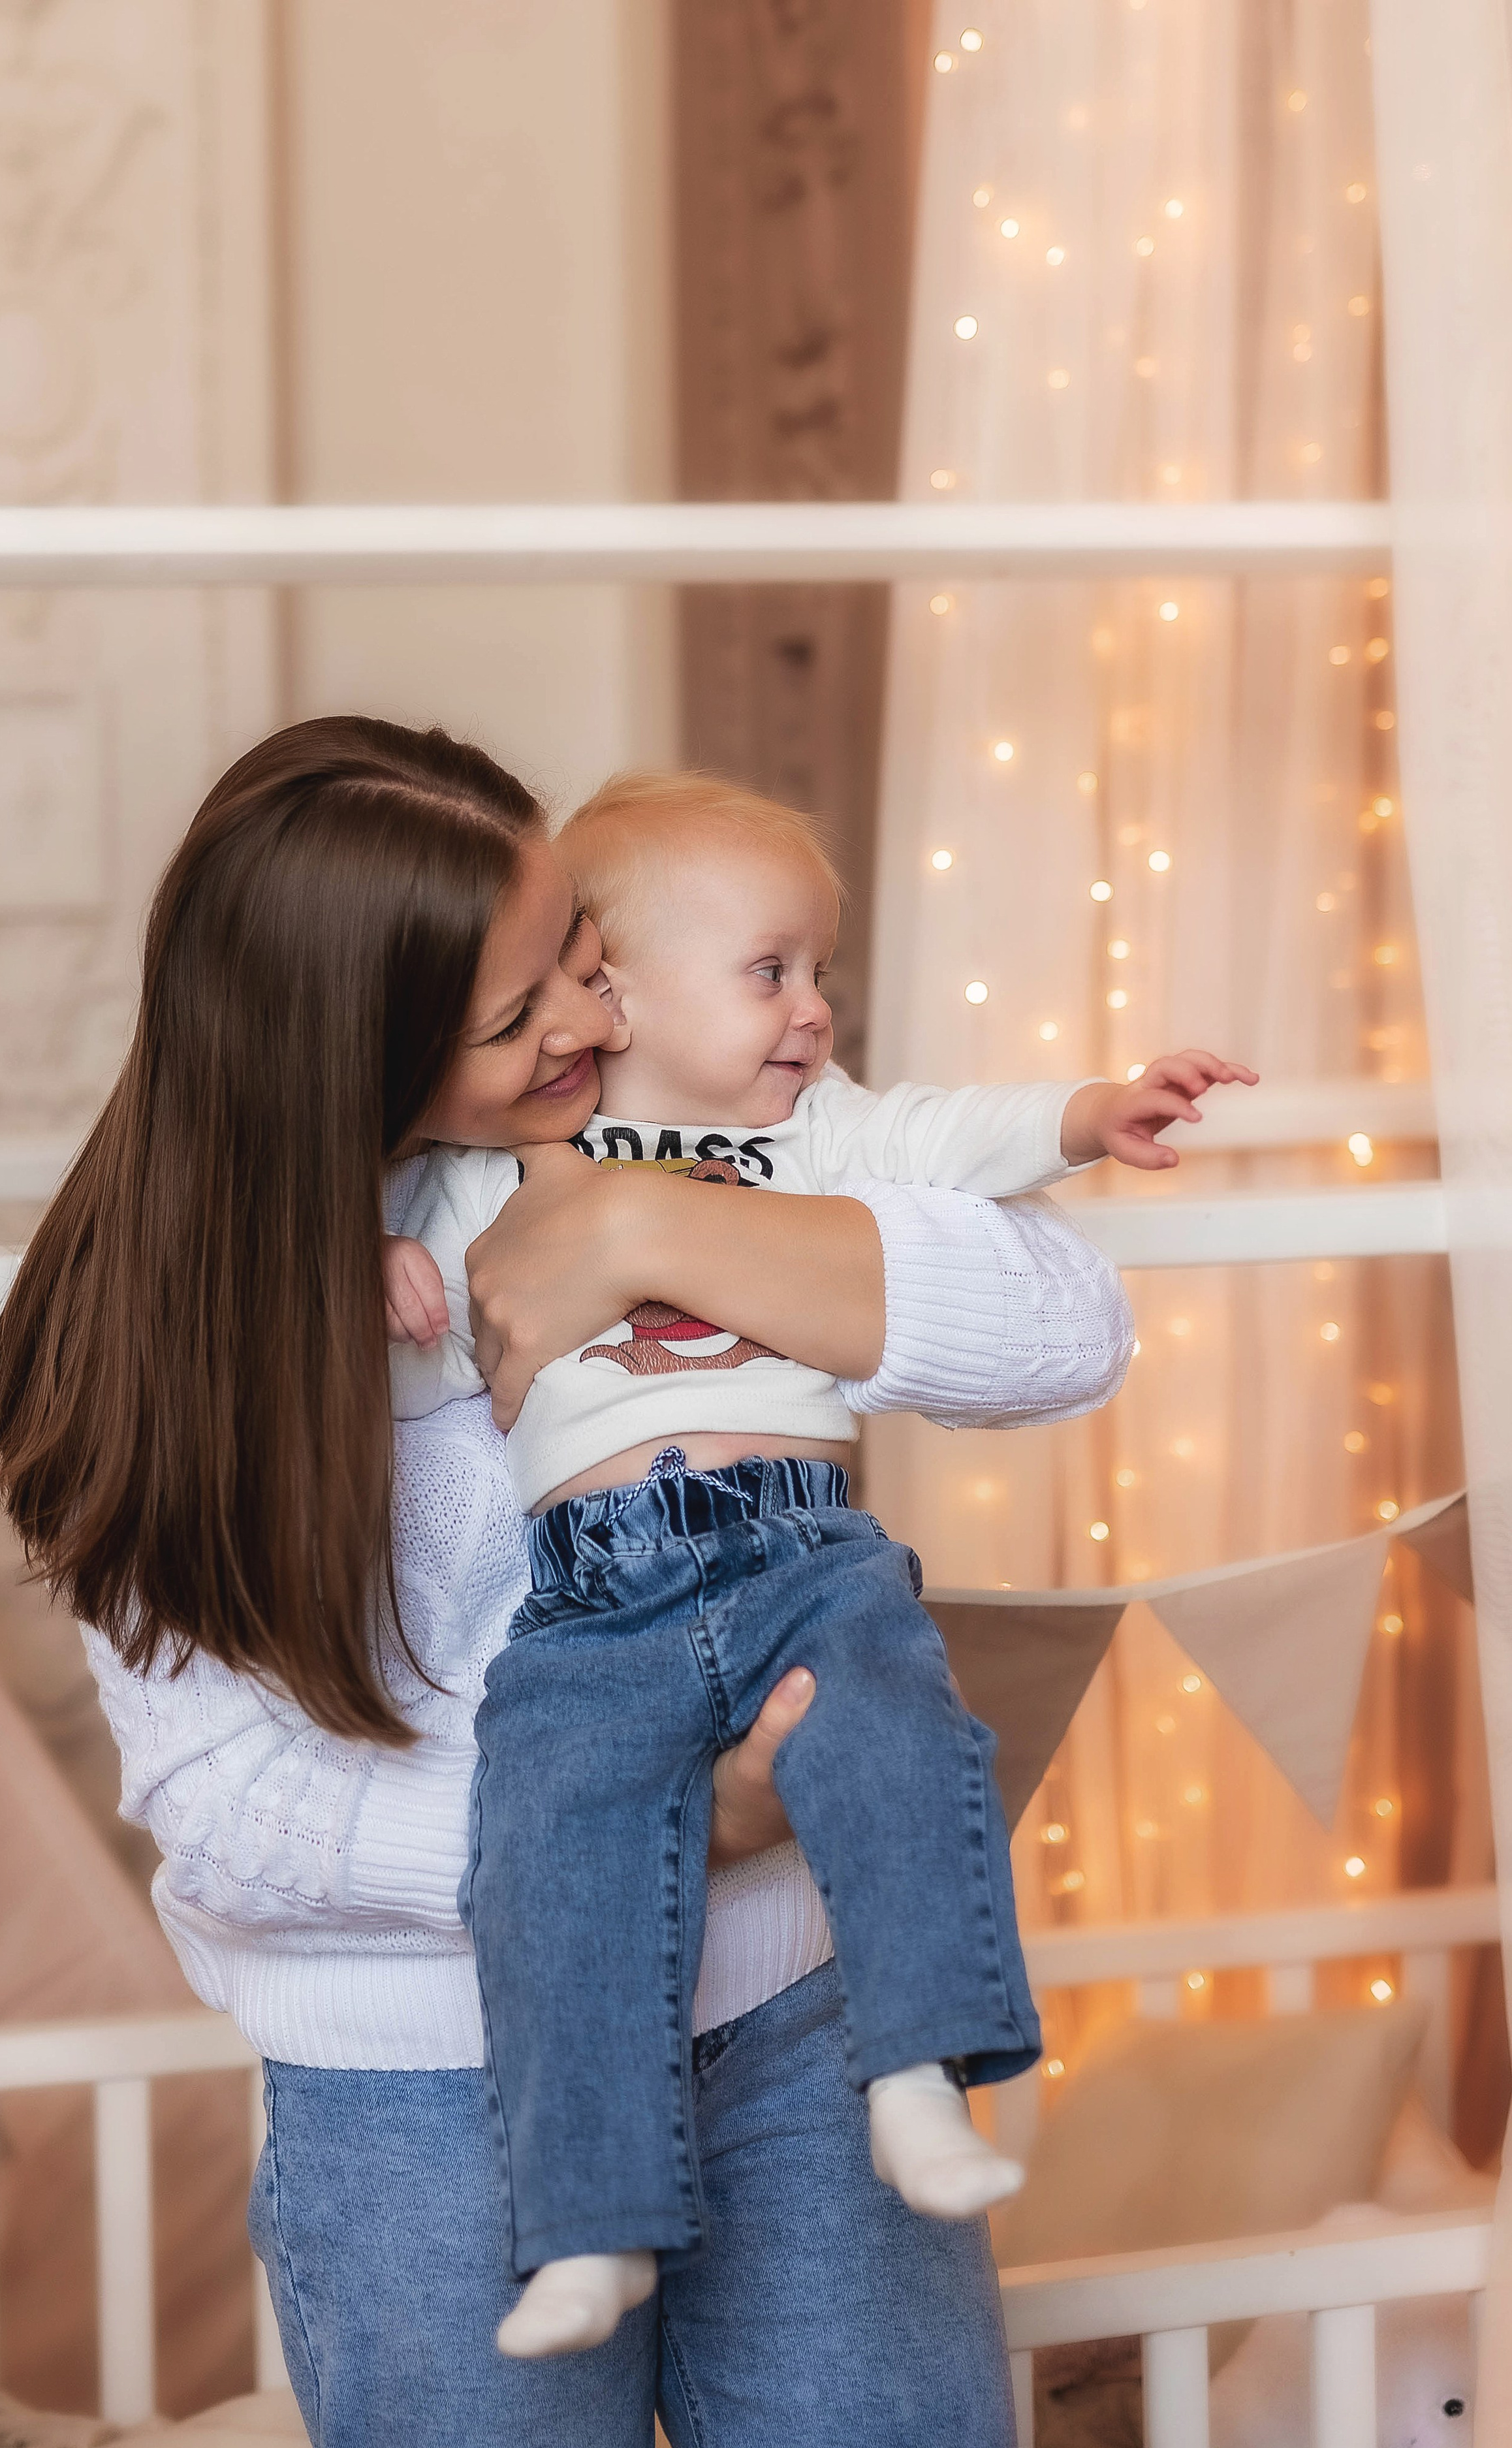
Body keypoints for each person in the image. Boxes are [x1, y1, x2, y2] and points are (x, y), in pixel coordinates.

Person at [0, 718, 1135, 2448]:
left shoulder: (648, 1130)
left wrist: (651, 1237)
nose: (592, 1027)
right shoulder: (174, 1341)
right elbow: (234, 1808)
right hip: (436, 2087)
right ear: (351, 1057)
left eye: (588, 961)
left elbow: (1065, 1325)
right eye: (525, 1012)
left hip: (794, 2018)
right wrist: (682, 1828)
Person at [385, 768, 1255, 2358]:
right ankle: (590, 2223)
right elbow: (373, 1331)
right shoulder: (474, 1175)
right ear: (614, 991)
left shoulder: (819, 1128)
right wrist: (364, 1252)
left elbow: (956, 1135)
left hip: (801, 1543)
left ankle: (919, 2071)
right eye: (769, 970)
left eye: (818, 971)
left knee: (901, 1736)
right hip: (595, 1591)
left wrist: (1086, 1113)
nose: (811, 1009)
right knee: (548, 1842)